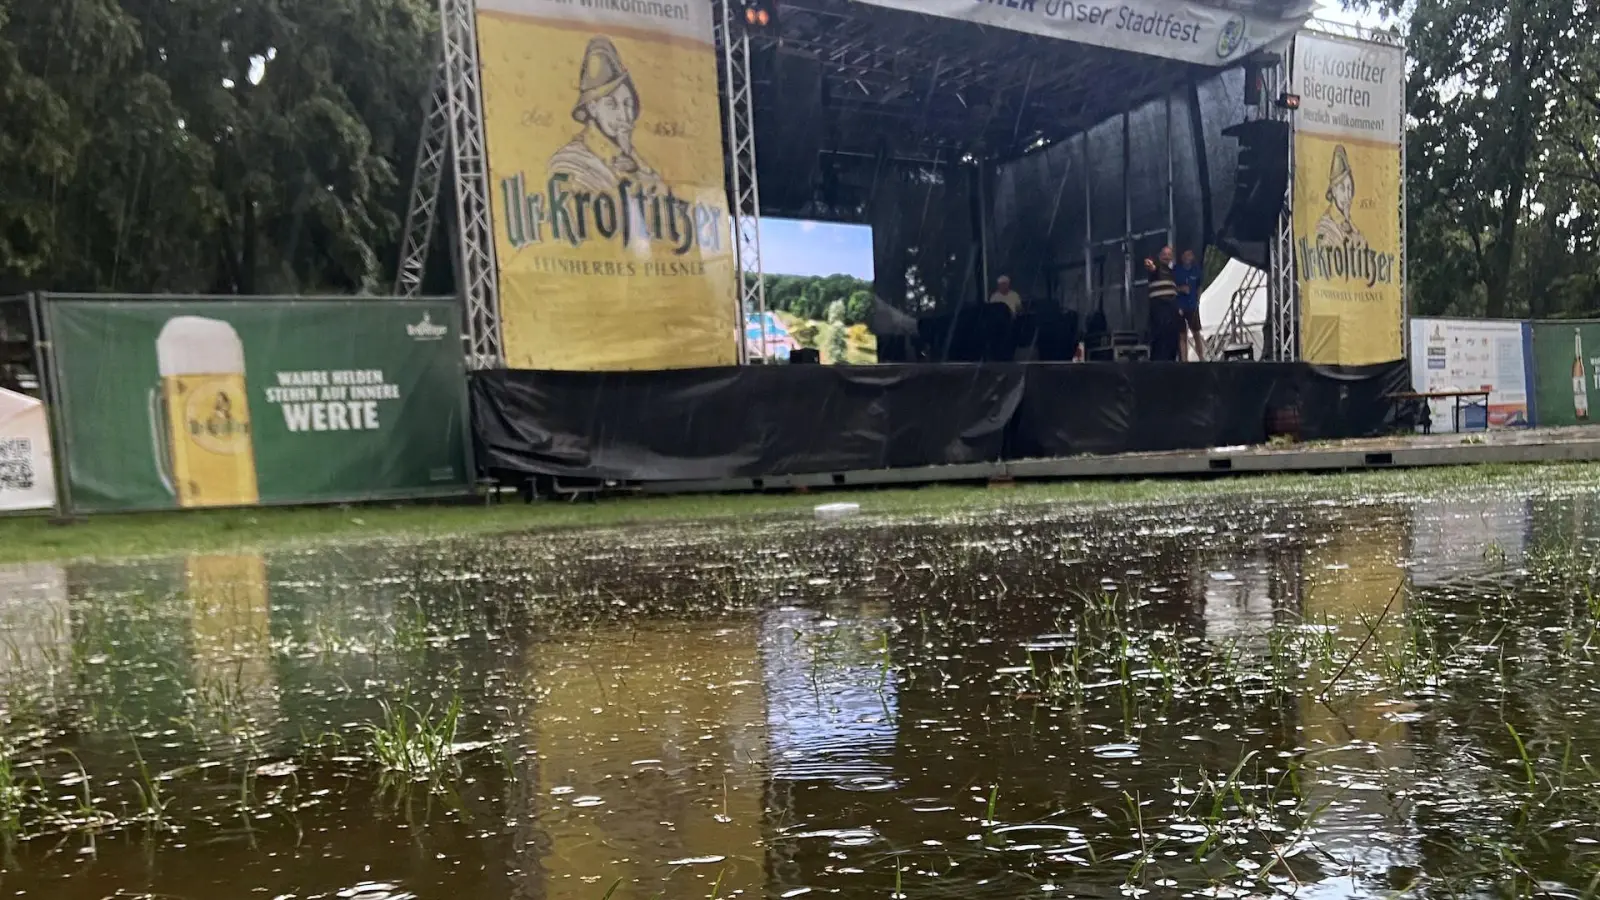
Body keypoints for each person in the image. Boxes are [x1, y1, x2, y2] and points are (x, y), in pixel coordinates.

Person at [549, 36, 663, 196]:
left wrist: (632, 164)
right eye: (611, 105)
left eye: (628, 104)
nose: (624, 116)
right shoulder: (570, 160)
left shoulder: (638, 162)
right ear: (593, 107)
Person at [1316, 145, 1366, 250]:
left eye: (1349, 188)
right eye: (1342, 189)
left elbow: (1362, 247)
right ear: (1333, 191)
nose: (1347, 196)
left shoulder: (1349, 222)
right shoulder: (1326, 225)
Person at [1144, 247, 1181, 362]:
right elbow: (1151, 266)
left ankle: (1171, 361)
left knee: (1172, 337)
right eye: (1164, 254)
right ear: (1160, 256)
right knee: (1160, 337)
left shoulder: (1171, 272)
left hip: (1171, 310)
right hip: (1160, 308)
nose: (1166, 257)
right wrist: (1150, 264)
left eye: (1169, 255)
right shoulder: (1157, 267)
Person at [1173, 249, 1204, 361]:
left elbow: (1200, 285)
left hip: (1192, 305)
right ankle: (1185, 360)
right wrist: (1181, 289)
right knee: (1182, 335)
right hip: (1180, 306)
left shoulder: (1196, 270)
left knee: (1196, 332)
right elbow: (1171, 287)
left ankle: (1201, 357)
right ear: (1182, 257)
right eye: (1185, 255)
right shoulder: (1177, 270)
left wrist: (1198, 298)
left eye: (1190, 255)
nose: (1188, 257)